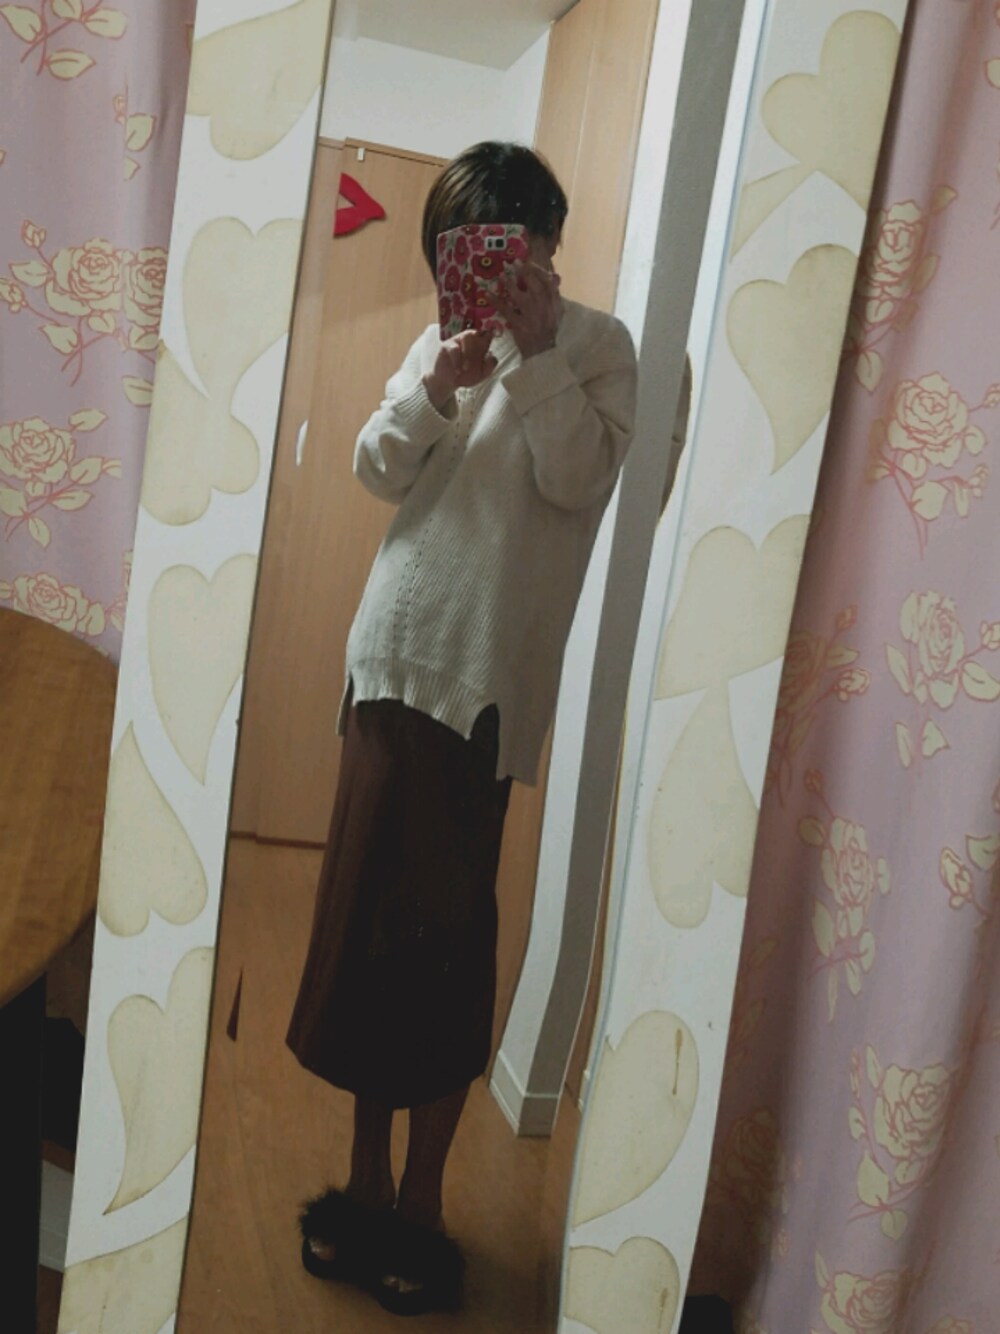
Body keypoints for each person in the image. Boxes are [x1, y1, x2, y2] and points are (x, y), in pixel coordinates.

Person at [285, 140, 639, 1316]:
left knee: (439, 952)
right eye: (467, 246)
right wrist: (436, 382)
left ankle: (424, 1200)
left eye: (510, 238)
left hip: (482, 692)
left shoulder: (599, 347)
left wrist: (535, 359)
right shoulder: (437, 340)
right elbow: (377, 469)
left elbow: (578, 481)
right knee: (361, 937)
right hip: (387, 662)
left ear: (545, 239)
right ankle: (363, 1180)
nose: (493, 261)